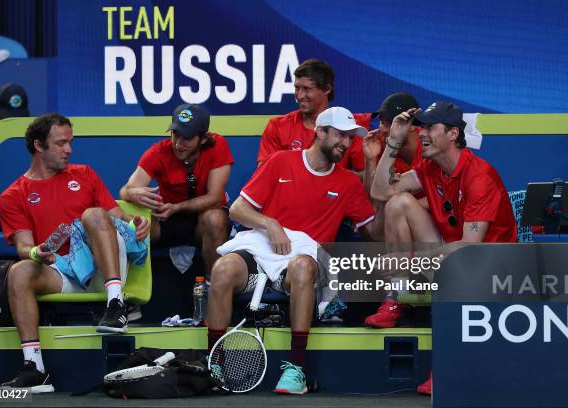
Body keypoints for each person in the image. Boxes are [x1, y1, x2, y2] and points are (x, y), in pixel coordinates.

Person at [207, 107, 382, 395]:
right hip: (262, 260)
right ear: (320, 132)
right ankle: (215, 364)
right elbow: (238, 209)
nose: (346, 143)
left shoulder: (348, 182)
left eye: (350, 138)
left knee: (302, 266)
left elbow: (374, 233)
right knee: (223, 269)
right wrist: (269, 223)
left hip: (299, 272)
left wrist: (372, 162)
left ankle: (296, 369)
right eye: (340, 135)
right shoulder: (280, 161)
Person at [368, 101, 517, 395]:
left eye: (430, 127)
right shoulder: (429, 168)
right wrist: (394, 143)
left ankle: (445, 369)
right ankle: (396, 296)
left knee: (454, 272)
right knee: (398, 203)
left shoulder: (479, 176)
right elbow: (380, 192)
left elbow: (471, 247)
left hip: (492, 267)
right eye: (420, 126)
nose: (421, 133)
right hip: (452, 254)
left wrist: (411, 264)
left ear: (452, 134)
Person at [0, 113, 150, 392]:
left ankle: (116, 306)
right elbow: (23, 246)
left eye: (70, 142)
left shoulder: (85, 174)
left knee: (93, 214)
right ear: (38, 146)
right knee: (19, 272)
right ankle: (34, 368)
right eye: (60, 143)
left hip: (105, 266)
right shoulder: (12, 195)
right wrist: (36, 252)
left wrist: (134, 221)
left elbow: (115, 215)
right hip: (63, 270)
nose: (69, 149)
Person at [120, 103, 234, 277]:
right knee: (129, 221)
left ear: (203, 138)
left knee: (215, 218)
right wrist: (131, 193)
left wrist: (177, 207)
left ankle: (213, 287)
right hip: (167, 218)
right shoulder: (158, 152)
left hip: (202, 218)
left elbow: (214, 197)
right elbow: (126, 190)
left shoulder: (218, 146)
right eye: (175, 135)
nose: (178, 144)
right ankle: (124, 294)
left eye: (186, 138)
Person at [257, 59, 370, 175]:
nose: (299, 96)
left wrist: (329, 179)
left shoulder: (349, 128)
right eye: (297, 88)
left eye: (307, 89)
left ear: (326, 89)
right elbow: (265, 174)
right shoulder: (277, 126)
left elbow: (365, 177)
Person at [363, 92, 422, 195]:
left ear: (412, 125)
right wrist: (370, 159)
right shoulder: (380, 146)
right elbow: (372, 201)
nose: (383, 129)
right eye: (381, 122)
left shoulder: (430, 146)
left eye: (391, 123)